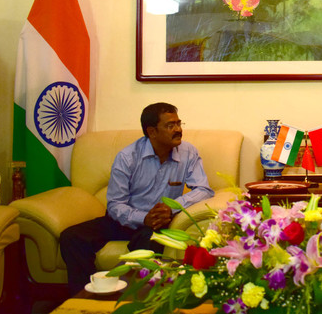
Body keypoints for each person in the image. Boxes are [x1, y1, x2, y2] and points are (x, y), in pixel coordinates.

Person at [60, 102, 214, 294]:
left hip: (157, 224)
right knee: (71, 237)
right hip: (124, 220)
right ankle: (86, 297)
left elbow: (204, 189)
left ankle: (135, 298)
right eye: (170, 125)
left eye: (179, 123)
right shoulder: (127, 157)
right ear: (152, 132)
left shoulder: (188, 152)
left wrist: (172, 207)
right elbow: (116, 204)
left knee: (146, 241)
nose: (178, 130)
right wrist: (142, 217)